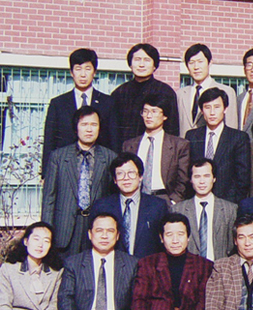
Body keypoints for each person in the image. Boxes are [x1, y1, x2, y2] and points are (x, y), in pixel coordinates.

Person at [42, 106, 117, 256]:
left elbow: (113, 197)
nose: (89, 129)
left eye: (94, 125)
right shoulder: (58, 157)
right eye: (84, 124)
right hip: (65, 227)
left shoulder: (109, 157)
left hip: (95, 226)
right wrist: (46, 232)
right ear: (76, 128)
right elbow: (49, 199)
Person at [43, 48, 117, 174]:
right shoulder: (58, 103)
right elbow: (49, 142)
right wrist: (46, 174)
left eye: (88, 69)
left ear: (94, 72)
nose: (83, 74)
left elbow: (114, 140)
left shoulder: (108, 103)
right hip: (65, 169)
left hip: (99, 170)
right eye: (78, 69)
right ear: (71, 72)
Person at [91, 152, 168, 259]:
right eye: (120, 174)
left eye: (131, 173)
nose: (126, 178)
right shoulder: (102, 206)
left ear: (140, 176)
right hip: (113, 265)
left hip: (147, 266)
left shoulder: (158, 206)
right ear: (115, 179)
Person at [122, 93, 191, 205]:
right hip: (135, 198)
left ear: (164, 116)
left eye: (154, 111)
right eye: (145, 111)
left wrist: (173, 202)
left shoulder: (179, 145)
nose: (148, 116)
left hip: (164, 199)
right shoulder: (129, 145)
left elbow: (183, 179)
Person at [185, 87, 250, 204]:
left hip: (227, 202)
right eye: (207, 107)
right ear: (202, 110)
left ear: (225, 109)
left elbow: (243, 178)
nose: (212, 112)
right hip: (197, 201)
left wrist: (233, 205)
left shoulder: (238, 138)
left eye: (217, 107)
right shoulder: (192, 136)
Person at [112, 43, 179, 145]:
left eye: (147, 60)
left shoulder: (165, 92)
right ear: (130, 64)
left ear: (154, 66)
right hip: (125, 149)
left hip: (157, 148)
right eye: (137, 59)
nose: (141, 64)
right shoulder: (119, 93)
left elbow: (172, 128)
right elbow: (113, 130)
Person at [174, 159, 236, 262]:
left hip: (220, 267)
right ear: (191, 179)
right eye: (197, 176)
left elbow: (231, 246)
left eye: (206, 176)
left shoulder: (230, 209)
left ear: (214, 178)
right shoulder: (179, 209)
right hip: (189, 268)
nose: (202, 181)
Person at [177, 43, 238, 136]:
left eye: (200, 61)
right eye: (191, 62)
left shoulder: (227, 91)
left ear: (210, 63)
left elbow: (231, 127)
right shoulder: (180, 94)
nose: (196, 67)